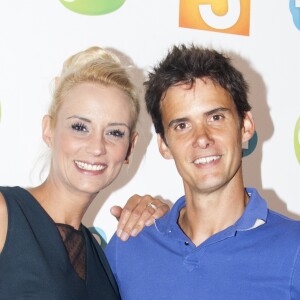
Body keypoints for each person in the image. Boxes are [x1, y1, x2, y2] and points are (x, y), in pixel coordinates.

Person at [105, 44, 300, 299]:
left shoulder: (294, 248)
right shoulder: (128, 247)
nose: (202, 138)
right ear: (164, 145)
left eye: (215, 118)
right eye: (182, 125)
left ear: (246, 126)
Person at [0, 46, 169, 299]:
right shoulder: (5, 214)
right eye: (80, 127)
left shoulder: (102, 259)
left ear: (130, 148)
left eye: (114, 133)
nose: (97, 147)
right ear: (49, 130)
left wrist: (166, 224)